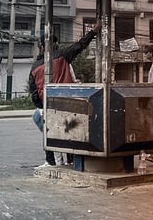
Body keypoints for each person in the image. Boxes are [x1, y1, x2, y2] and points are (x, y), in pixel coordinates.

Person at [28, 23, 100, 167]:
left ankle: (51, 160)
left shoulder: (35, 67)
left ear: (41, 47)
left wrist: (41, 105)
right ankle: (70, 159)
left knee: (49, 130)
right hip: (66, 101)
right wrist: (93, 32)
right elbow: (80, 45)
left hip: (47, 104)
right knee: (69, 131)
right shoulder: (63, 55)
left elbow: (34, 92)